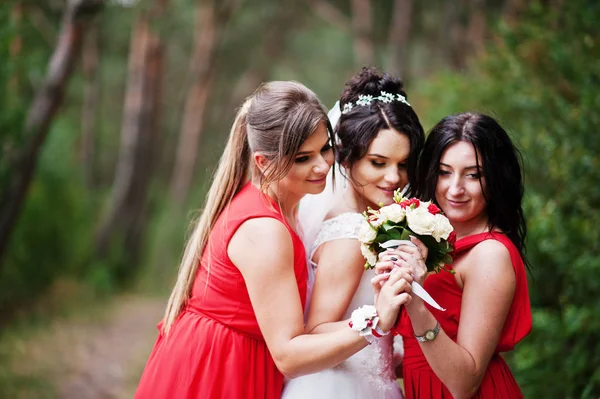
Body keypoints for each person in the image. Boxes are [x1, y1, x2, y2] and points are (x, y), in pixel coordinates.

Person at [134, 81, 412, 399]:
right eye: (302, 158)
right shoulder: (266, 230)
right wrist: (376, 320)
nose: (322, 165)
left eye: (325, 148)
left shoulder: (294, 207)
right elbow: (288, 355)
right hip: (217, 371)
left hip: (241, 360)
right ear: (264, 163)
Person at [282, 68, 425, 398]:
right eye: (378, 162)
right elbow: (315, 331)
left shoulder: (367, 221)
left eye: (403, 163)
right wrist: (380, 318)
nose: (394, 177)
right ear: (347, 158)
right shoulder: (350, 235)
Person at [376, 112, 532, 398]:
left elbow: (464, 384)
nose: (455, 188)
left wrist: (416, 301)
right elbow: (417, 353)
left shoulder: (489, 254)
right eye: (445, 172)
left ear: (496, 177)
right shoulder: (432, 240)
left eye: (473, 175)